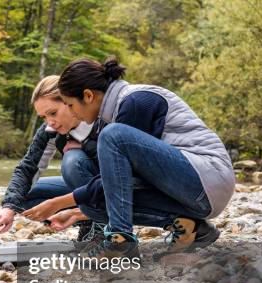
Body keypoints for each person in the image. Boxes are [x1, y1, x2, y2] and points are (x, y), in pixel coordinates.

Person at [23, 57, 235, 259]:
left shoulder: (136, 101)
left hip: (206, 180)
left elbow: (114, 181)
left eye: (70, 105)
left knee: (112, 137)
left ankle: (121, 241)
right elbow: (117, 183)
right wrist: (79, 211)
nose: (72, 112)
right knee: (88, 203)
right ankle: (191, 227)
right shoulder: (113, 112)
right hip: (190, 194)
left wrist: (60, 203)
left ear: (88, 96)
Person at [0, 75, 102, 246]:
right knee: (24, 198)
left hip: (116, 191)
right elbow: (27, 169)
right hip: (84, 191)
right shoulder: (50, 130)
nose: (50, 122)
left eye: (53, 113)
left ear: (69, 100)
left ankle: (104, 228)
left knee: (73, 161)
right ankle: (88, 222)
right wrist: (8, 208)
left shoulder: (102, 120)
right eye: (43, 117)